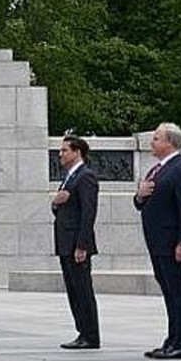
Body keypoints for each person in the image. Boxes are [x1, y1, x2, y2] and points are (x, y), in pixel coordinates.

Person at [134, 122, 181, 359]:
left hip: (174, 243)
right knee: (170, 292)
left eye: (156, 138)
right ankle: (172, 339)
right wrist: (139, 196)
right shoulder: (158, 169)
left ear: (170, 142)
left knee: (179, 293)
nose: (152, 142)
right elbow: (142, 201)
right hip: (158, 243)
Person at [53, 134, 100, 350]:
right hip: (65, 242)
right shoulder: (69, 177)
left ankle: (90, 335)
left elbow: (88, 213)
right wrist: (55, 202)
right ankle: (82, 331)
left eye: (64, 150)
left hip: (76, 244)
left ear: (77, 152)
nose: (60, 154)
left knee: (82, 290)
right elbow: (62, 207)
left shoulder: (85, 176)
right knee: (73, 290)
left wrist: (82, 245)